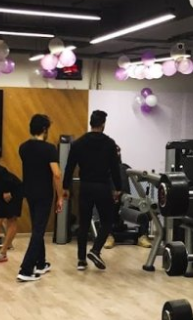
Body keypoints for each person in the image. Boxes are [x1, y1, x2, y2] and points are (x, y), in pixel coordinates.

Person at [64, 110, 121, 271]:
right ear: (103, 124)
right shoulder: (109, 143)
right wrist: (118, 188)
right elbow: (115, 169)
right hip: (102, 187)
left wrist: (65, 187)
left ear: (91, 123)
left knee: (83, 223)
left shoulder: (78, 143)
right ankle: (95, 250)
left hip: (86, 186)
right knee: (107, 221)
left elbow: (69, 167)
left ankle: (81, 260)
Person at [17, 114, 65, 282]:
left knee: (37, 228)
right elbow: (57, 174)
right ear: (45, 129)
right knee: (38, 231)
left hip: (29, 192)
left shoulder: (23, 148)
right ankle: (26, 270)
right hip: (44, 194)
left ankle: (41, 263)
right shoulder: (49, 149)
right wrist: (60, 197)